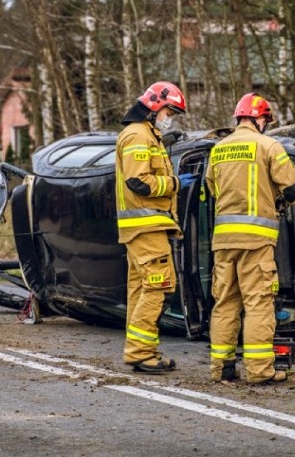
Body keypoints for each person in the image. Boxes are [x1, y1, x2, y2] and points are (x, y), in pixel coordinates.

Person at [205, 93, 295, 385]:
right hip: (256, 242)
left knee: (224, 304)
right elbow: (293, 190)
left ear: (239, 118)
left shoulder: (218, 150)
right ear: (261, 119)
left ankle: (221, 369)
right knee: (258, 305)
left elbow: (212, 188)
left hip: (223, 242)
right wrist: (277, 201)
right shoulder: (269, 146)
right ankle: (260, 371)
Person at [115, 81, 190, 373]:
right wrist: (173, 184)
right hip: (146, 226)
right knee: (160, 284)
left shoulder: (146, 134)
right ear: (156, 106)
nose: (170, 117)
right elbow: (138, 181)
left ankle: (138, 350)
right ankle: (141, 353)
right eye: (170, 111)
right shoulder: (137, 135)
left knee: (141, 289)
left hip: (144, 227)